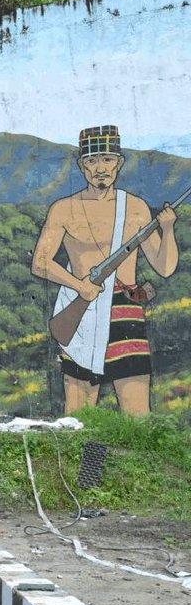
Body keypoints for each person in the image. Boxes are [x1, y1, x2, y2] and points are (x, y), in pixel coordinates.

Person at [31, 125, 177, 415]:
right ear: (82, 166)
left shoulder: (135, 207)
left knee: (137, 412)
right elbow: (41, 262)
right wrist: (80, 285)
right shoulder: (64, 208)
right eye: (92, 161)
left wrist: (168, 228)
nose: (100, 168)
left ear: (118, 163)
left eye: (107, 160)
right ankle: (85, 451)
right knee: (79, 413)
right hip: (82, 310)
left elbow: (164, 267)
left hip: (126, 311)